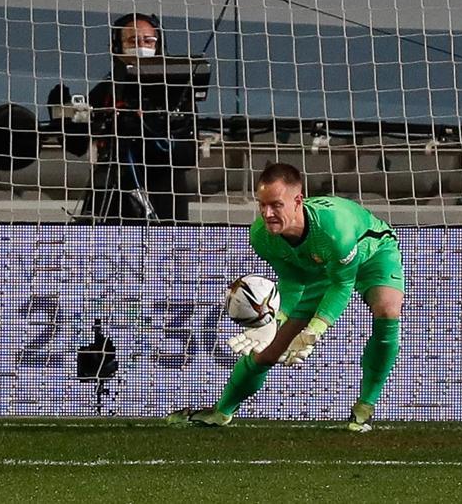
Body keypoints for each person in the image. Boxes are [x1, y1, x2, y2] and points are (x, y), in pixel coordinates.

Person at [167, 162, 404, 431]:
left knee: (387, 310)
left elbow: (342, 285)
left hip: (373, 253)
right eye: (262, 205)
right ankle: (221, 412)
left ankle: (364, 408)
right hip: (320, 268)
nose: (267, 213)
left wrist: (314, 330)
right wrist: (274, 321)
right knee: (269, 350)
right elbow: (294, 281)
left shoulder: (334, 230)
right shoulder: (261, 236)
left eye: (276, 205)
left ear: (297, 201)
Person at [79, 13, 199, 223]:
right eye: (133, 40)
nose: (141, 46)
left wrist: (149, 131)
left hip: (164, 199)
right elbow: (78, 144)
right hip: (112, 194)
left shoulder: (178, 93)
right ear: (117, 46)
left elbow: (188, 156)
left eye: (148, 40)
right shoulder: (106, 91)